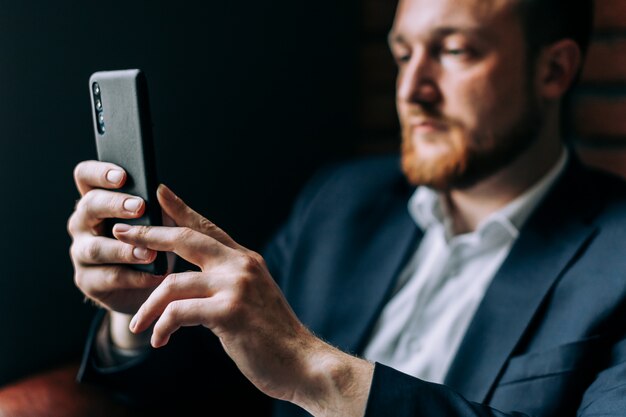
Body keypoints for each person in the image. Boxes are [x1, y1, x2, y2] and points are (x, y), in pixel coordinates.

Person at [68, 0, 626, 415]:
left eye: (454, 51)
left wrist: (318, 370)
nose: (411, 89)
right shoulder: (340, 200)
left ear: (553, 70)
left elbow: (291, 361)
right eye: (403, 54)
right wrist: (137, 314)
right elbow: (215, 388)